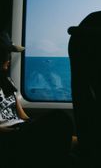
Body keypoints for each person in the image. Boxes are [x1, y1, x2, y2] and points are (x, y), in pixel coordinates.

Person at [0, 30, 73, 167]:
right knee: (60, 124)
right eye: (5, 54)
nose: (9, 59)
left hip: (19, 131)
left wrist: (30, 124)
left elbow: (20, 113)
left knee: (60, 121)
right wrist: (20, 132)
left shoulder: (6, 80)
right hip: (7, 138)